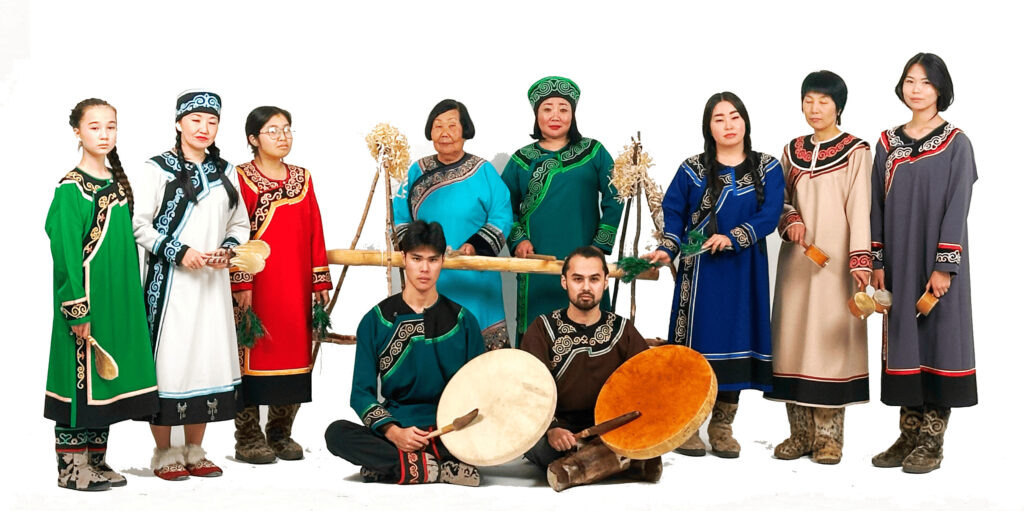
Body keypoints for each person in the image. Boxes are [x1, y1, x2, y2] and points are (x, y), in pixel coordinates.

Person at [643, 92, 784, 458]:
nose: (728, 125)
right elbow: (674, 213)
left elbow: (770, 214)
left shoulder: (767, 167)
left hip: (744, 271)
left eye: (734, 117)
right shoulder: (692, 169)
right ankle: (688, 423)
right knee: (696, 344)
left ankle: (722, 426)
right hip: (700, 272)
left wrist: (734, 237)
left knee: (737, 338)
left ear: (745, 121)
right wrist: (667, 249)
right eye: (719, 119)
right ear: (709, 127)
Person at [131, 90, 250, 480]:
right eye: (196, 120)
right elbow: (139, 225)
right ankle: (164, 452)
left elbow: (240, 224)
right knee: (171, 362)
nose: (204, 128)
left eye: (212, 121)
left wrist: (227, 250)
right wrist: (179, 251)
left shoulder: (226, 171)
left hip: (211, 284)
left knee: (206, 359)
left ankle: (195, 450)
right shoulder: (156, 168)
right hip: (170, 285)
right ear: (179, 123)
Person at [869, 53, 976, 474]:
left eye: (926, 83)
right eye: (910, 81)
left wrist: (944, 265)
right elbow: (875, 206)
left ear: (940, 89)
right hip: (898, 260)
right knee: (905, 345)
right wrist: (878, 260)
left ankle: (931, 442)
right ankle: (907, 436)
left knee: (938, 343)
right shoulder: (886, 143)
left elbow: (958, 206)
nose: (916, 89)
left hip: (937, 262)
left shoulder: (956, 143)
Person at [45, 98, 159, 491]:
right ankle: (71, 468)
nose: (104, 133)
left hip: (118, 299)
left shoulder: (117, 183)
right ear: (77, 132)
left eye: (111, 126)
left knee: (107, 380)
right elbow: (65, 252)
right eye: (94, 127)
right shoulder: (71, 189)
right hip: (87, 300)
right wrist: (76, 307)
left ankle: (96, 459)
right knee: (79, 378)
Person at [324, 220, 485, 486]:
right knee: (336, 433)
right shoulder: (375, 321)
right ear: (403, 259)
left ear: (443, 261)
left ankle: (394, 466)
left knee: (485, 429)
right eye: (416, 259)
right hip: (398, 428)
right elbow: (361, 393)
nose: (424, 269)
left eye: (433, 260)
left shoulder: (464, 321)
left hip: (451, 429)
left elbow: (481, 390)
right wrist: (393, 432)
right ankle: (434, 468)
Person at [765, 71, 872, 465]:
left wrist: (861, 259)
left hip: (837, 264)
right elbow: (777, 198)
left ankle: (829, 438)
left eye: (824, 101)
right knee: (791, 340)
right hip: (797, 261)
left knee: (829, 342)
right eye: (808, 100)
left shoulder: (856, 151)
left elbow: (861, 207)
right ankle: (800, 434)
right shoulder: (791, 150)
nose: (815, 108)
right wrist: (789, 218)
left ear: (838, 106)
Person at [229, 106, 332, 464]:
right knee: (252, 354)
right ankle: (247, 437)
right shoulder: (239, 177)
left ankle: (280, 432)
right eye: (272, 130)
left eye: (286, 129)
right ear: (253, 139)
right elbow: (234, 231)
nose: (282, 136)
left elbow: (314, 229)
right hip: (257, 286)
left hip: (296, 284)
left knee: (294, 352)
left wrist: (319, 279)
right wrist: (240, 280)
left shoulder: (303, 178)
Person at [520, 246, 659, 491]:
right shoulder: (542, 328)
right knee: (535, 444)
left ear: (605, 282)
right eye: (578, 279)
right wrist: (552, 429)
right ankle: (621, 462)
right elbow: (529, 388)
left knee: (646, 430)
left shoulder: (622, 330)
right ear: (564, 282)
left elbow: (646, 384)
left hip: (609, 428)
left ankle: (576, 467)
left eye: (594, 279)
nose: (586, 287)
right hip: (559, 431)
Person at [502, 76, 623, 343]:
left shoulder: (593, 152)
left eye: (563, 109)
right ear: (537, 115)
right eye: (547, 109)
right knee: (538, 340)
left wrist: (599, 247)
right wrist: (518, 240)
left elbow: (616, 195)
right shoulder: (521, 160)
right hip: (536, 263)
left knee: (592, 335)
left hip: (586, 260)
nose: (555, 116)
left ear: (573, 114)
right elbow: (502, 207)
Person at [393, 99, 512, 350]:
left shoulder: (484, 171)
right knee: (432, 354)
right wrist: (415, 251)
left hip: (477, 279)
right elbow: (400, 217)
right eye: (438, 126)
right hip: (428, 278)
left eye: (451, 125)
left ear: (465, 130)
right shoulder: (416, 171)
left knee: (483, 361)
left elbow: (501, 216)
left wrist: (475, 246)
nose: (444, 132)